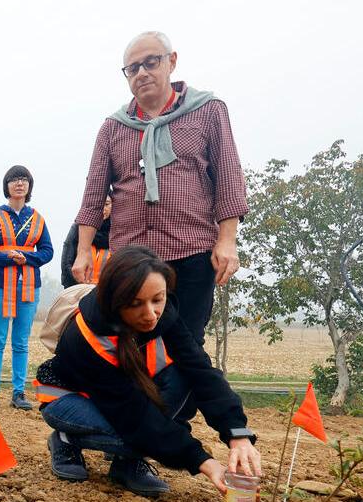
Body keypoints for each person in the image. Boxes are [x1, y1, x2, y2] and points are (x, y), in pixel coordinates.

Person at [38, 245, 261, 497]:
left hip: (124, 397)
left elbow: (201, 370)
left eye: (157, 299)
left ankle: (126, 464)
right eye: (135, 304)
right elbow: (135, 416)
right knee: (138, 440)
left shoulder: (165, 315)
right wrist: (205, 462)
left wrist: (237, 434)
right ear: (114, 301)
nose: (150, 314)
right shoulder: (84, 339)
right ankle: (66, 438)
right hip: (69, 399)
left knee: (184, 377)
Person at [71, 31, 248, 345]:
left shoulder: (208, 110)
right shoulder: (113, 127)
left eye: (150, 62)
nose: (141, 73)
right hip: (131, 258)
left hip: (191, 251)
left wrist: (227, 241)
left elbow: (228, 178)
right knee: (130, 343)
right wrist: (83, 251)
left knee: (186, 344)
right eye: (132, 68)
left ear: (171, 62)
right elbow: (94, 195)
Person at [0, 165, 54, 410]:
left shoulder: (37, 218)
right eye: (14, 179)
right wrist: (7, 257)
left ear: (29, 186)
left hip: (28, 287)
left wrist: (26, 258)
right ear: (6, 186)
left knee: (21, 342)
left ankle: (19, 393)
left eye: (24, 179)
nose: (19, 183)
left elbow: (48, 251)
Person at [61, 196, 110, 288]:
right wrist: (81, 286)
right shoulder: (79, 228)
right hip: (79, 288)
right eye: (98, 205)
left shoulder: (118, 232)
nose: (102, 209)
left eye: (106, 204)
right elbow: (66, 263)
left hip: (106, 291)